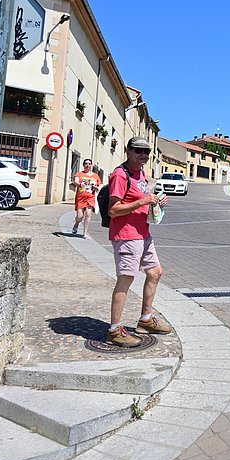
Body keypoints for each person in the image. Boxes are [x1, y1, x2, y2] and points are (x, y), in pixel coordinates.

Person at [105, 136, 171, 347]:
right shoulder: (120, 174)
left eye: (146, 152)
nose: (143, 155)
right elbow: (113, 210)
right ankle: (115, 330)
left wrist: (157, 201)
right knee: (126, 279)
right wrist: (143, 201)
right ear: (128, 151)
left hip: (143, 233)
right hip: (126, 235)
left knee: (155, 272)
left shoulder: (140, 173)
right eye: (138, 151)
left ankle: (145, 320)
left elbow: (144, 198)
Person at [72, 158, 101, 239]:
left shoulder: (95, 176)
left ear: (91, 165)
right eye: (86, 164)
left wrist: (96, 187)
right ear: (83, 165)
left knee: (88, 214)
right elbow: (76, 181)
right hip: (80, 198)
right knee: (80, 216)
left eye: (89, 164)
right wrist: (79, 184)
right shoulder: (79, 174)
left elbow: (98, 185)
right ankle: (76, 224)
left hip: (90, 198)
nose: (87, 165)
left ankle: (84, 233)